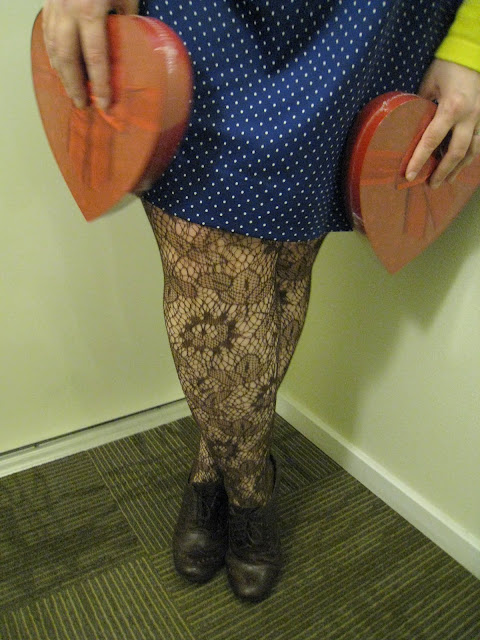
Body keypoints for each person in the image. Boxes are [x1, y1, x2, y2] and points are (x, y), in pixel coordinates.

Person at [41, 0, 480, 602]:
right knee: (213, 290)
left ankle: (211, 471)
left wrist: (471, 42)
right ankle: (251, 492)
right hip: (214, 20)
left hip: (365, 23)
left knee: (284, 266)